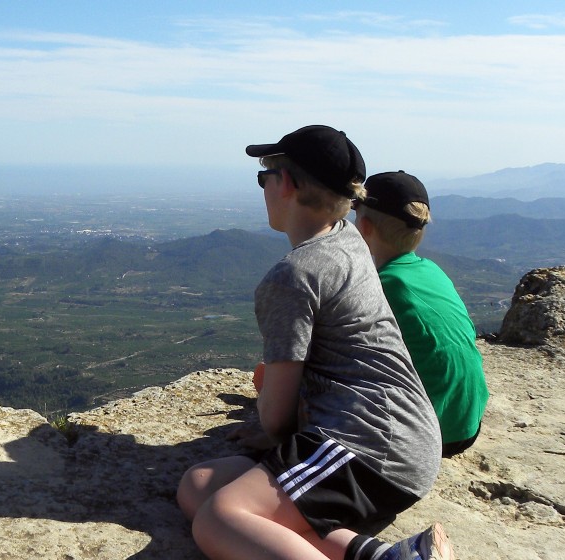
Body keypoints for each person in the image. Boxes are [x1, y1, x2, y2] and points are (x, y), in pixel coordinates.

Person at [176, 125, 454, 560]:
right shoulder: (348, 239)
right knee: (199, 487)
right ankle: (383, 556)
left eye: (263, 177)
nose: (264, 187)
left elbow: (276, 420)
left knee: (218, 518)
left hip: (370, 447)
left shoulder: (293, 275)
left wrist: (270, 423)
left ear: (284, 183)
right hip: (396, 435)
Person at [353, 171, 488, 458]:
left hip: (428, 435)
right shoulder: (432, 271)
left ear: (364, 227)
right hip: (466, 423)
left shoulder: (384, 286)